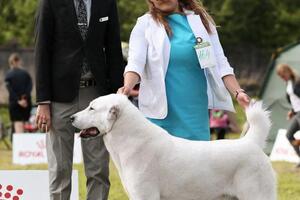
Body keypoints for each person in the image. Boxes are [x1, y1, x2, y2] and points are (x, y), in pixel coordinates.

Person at [118, 0, 250, 141]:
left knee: (198, 161)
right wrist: (127, 87)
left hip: (194, 112)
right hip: (158, 116)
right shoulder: (144, 24)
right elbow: (135, 64)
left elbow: (220, 63)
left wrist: (238, 92)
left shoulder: (201, 23)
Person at [34, 0, 124, 199]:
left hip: (96, 96)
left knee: (98, 168)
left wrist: (117, 96)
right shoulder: (50, 3)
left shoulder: (107, 3)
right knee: (59, 168)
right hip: (59, 97)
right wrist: (43, 101)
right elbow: (41, 51)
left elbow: (113, 49)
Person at [276, 64, 300, 168]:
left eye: (282, 75)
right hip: (297, 113)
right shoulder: (288, 83)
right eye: (280, 76)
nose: (282, 78)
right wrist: (292, 111)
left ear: (288, 71)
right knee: (289, 135)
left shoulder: (298, 81)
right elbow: (295, 100)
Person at [5, 53, 32, 133]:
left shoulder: (9, 75)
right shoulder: (26, 74)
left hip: (15, 104)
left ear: (10, 62)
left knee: (18, 126)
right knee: (27, 126)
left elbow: (10, 90)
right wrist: (24, 99)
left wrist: (18, 101)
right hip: (27, 103)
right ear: (19, 61)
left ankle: (20, 145)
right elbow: (30, 87)